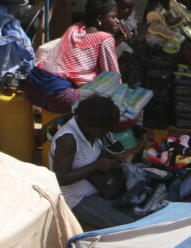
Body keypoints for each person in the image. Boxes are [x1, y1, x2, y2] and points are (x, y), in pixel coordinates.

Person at [53, 94, 133, 230]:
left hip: (100, 189)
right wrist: (96, 166)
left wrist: (111, 160)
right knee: (126, 227)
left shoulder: (92, 133)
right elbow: (60, 178)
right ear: (90, 124)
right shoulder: (68, 139)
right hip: (76, 199)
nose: (106, 133)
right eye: (104, 129)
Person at [39, 0, 120, 86]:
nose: (117, 21)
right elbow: (111, 75)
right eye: (113, 17)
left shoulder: (74, 28)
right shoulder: (105, 38)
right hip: (60, 89)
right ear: (99, 19)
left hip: (39, 80)